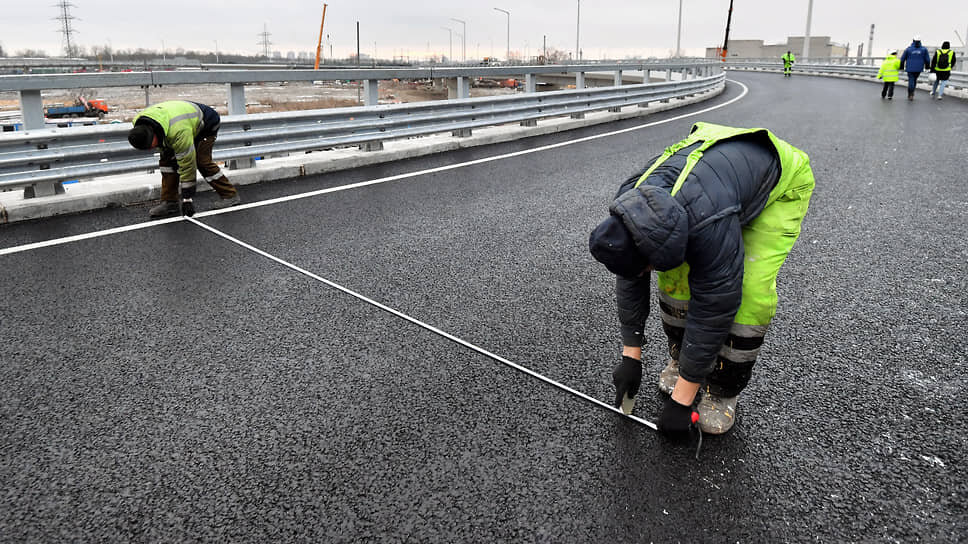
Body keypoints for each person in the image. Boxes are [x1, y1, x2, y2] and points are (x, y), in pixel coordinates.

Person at [588, 122, 815, 435]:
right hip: (713, 177)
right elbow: (630, 275)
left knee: (748, 292)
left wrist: (682, 402)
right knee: (676, 279)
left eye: (644, 266)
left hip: (777, 184)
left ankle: (722, 389)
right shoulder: (629, 205)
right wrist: (631, 356)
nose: (641, 273)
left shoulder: (707, 221)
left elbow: (714, 304)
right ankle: (683, 362)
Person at [127, 100, 241, 218]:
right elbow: (162, 147)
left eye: (151, 146)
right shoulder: (139, 124)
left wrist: (187, 199)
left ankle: (229, 195)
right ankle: (170, 203)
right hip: (179, 122)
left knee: (201, 161)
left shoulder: (178, 132)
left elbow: (187, 164)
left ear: (153, 134)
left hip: (206, 123)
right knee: (167, 164)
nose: (151, 149)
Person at [899, 36, 931, 101]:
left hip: (910, 68)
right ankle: (912, 92)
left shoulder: (908, 49)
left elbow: (902, 59)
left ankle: (910, 94)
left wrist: (901, 67)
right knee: (915, 79)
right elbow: (927, 60)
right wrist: (927, 67)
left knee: (911, 80)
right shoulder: (924, 49)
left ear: (913, 41)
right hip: (919, 68)